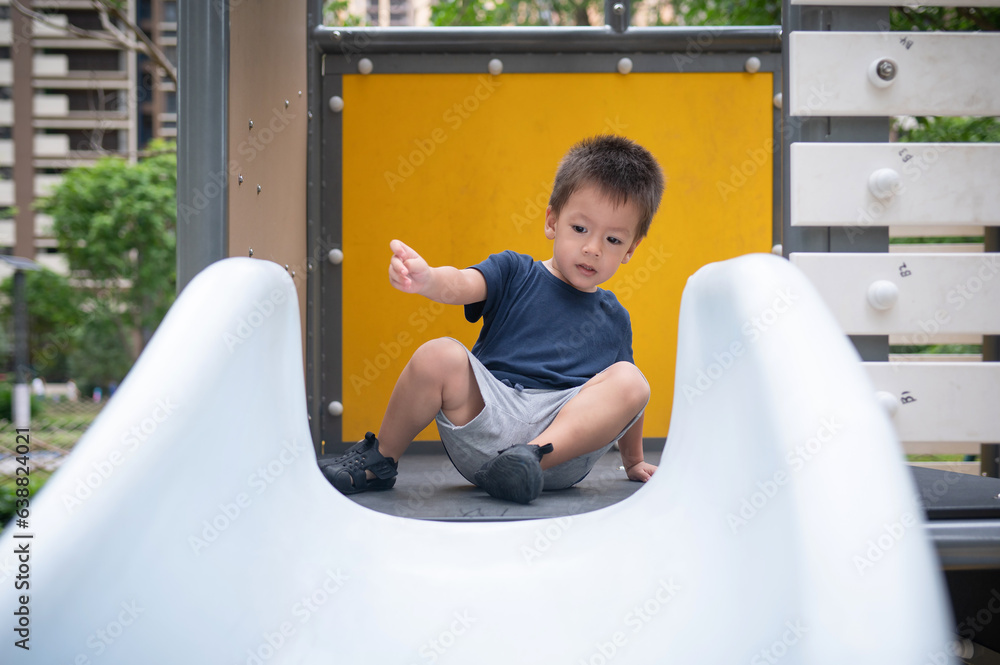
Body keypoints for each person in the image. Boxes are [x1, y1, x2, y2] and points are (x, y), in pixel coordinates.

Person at [321, 135, 665, 504]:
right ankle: (380, 459)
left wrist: (634, 461)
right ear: (552, 221)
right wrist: (430, 280)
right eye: (580, 229)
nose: (592, 248)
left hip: (557, 453)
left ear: (630, 249)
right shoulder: (516, 272)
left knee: (632, 380)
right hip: (490, 420)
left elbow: (628, 402)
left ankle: (526, 458)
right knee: (439, 353)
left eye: (613, 240)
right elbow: (463, 284)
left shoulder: (614, 318)